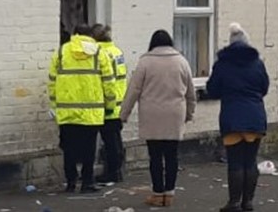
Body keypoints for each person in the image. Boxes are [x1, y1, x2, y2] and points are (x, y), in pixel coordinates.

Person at [120, 30, 198, 208]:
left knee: (155, 156)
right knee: (172, 156)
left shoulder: (145, 62)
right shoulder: (181, 61)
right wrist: (189, 114)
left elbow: (133, 91)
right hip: (174, 115)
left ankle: (157, 193)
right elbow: (191, 93)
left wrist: (124, 114)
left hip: (152, 115)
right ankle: (169, 194)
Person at [206, 23, 270, 212]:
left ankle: (234, 202)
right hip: (254, 118)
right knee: (250, 161)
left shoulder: (222, 64)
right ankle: (248, 202)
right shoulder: (257, 63)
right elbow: (264, 87)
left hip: (232, 118)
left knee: (235, 162)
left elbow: (213, 89)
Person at [49, 24, 116, 193]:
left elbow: (52, 81)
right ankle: (87, 182)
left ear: (75, 34)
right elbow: (109, 82)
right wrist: (109, 106)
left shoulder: (61, 52)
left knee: (69, 148)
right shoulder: (99, 53)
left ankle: (71, 182)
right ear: (90, 35)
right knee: (89, 149)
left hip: (67, 111)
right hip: (91, 112)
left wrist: (54, 105)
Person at [94, 24, 129, 185]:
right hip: (119, 103)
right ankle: (118, 170)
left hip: (108, 104)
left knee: (109, 142)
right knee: (115, 139)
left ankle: (112, 172)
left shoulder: (100, 54)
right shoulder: (116, 51)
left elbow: (104, 81)